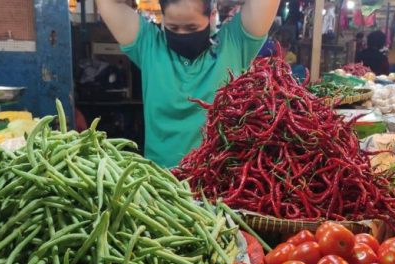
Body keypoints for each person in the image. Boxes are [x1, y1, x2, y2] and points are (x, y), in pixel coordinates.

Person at [96, 0, 280, 167]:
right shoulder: (149, 45)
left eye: (191, 27)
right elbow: (107, 4)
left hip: (220, 186)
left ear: (211, 15)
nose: (181, 34)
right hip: (161, 186)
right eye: (173, 28)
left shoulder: (234, 44)